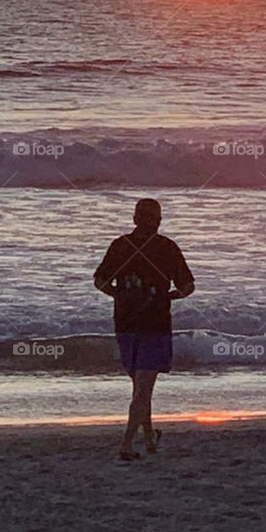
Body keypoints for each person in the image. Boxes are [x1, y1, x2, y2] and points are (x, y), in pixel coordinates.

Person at [94, 198, 194, 461]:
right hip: (155, 324)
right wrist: (168, 297)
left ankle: (149, 437)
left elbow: (99, 280)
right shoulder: (167, 248)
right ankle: (128, 443)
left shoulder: (120, 245)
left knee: (140, 387)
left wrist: (118, 295)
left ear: (134, 218)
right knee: (143, 388)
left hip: (125, 323)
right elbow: (187, 287)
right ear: (159, 220)